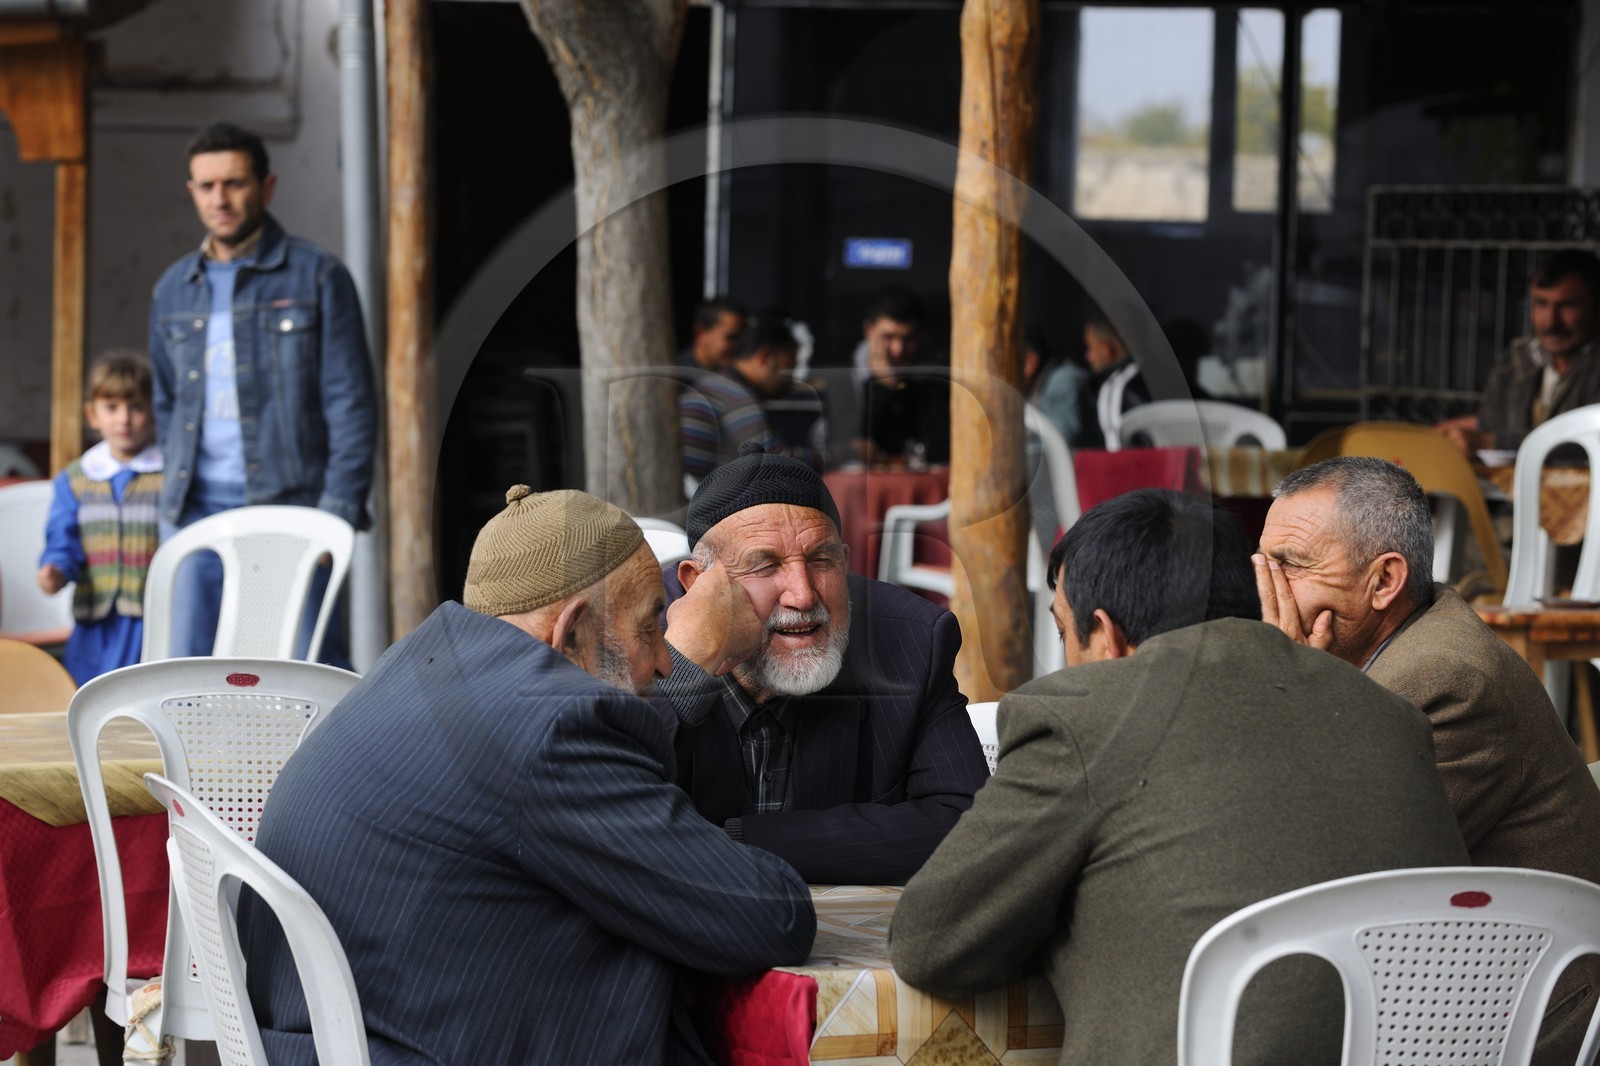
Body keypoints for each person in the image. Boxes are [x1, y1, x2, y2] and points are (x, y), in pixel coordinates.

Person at [240, 487, 815, 1066]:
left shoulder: (414, 663)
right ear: (571, 632)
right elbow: (767, 914)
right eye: (649, 629)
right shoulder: (552, 727)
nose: (665, 662)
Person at [891, 489, 1468, 1066]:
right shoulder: (1391, 716)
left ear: (1108, 635)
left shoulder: (1087, 714)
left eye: (1066, 633)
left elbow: (931, 943)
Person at [1255, 456, 1600, 1065]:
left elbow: (1320, 874)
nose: (1268, 591)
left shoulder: (1444, 680)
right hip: (1446, 981)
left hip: (1520, 1015)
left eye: (1292, 566)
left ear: (1385, 580)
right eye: (1262, 563)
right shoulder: (1395, 642)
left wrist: (1292, 688)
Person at [656, 443, 988, 884]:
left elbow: (969, 822)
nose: (804, 595)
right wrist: (686, 667)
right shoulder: (634, 636)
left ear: (846, 562)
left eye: (821, 561)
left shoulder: (912, 637)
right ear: (696, 583)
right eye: (765, 565)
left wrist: (734, 844)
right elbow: (602, 808)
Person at [149, 120, 376, 667]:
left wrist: (335, 515)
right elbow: (167, 401)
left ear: (266, 187)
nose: (219, 199)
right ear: (192, 191)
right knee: (189, 672)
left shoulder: (317, 276)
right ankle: (196, 760)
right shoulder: (174, 287)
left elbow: (352, 406)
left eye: (234, 183)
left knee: (306, 667)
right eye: (206, 186)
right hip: (194, 509)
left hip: (291, 505)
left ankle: (322, 760)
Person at [36, 352, 164, 685]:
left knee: (138, 693)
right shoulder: (77, 478)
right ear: (92, 415)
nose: (124, 419)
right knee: (88, 693)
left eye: (135, 407)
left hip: (148, 617)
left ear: (152, 411)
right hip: (95, 620)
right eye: (112, 407)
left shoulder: (167, 475)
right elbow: (63, 537)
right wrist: (56, 568)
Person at [1436, 250, 1600, 453]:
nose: (1551, 321)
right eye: (1541, 303)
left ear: (1595, 307)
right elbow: (1490, 425)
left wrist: (1491, 442)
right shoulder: (1513, 363)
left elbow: (1589, 441)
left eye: (1567, 306)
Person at [680, 310, 818, 478]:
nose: (789, 382)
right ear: (765, 357)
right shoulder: (735, 395)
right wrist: (833, 456)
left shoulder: (718, 384)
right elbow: (774, 462)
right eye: (788, 369)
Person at [853, 286, 950, 464]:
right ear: (868, 331)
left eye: (908, 339)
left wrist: (891, 384)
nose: (898, 350)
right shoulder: (846, 375)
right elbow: (859, 445)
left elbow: (935, 446)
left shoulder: (934, 379)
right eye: (888, 337)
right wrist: (882, 386)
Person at [677, 296, 747, 373]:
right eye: (731, 337)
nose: (737, 346)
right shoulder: (677, 377)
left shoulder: (733, 375)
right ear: (700, 334)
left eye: (742, 339)